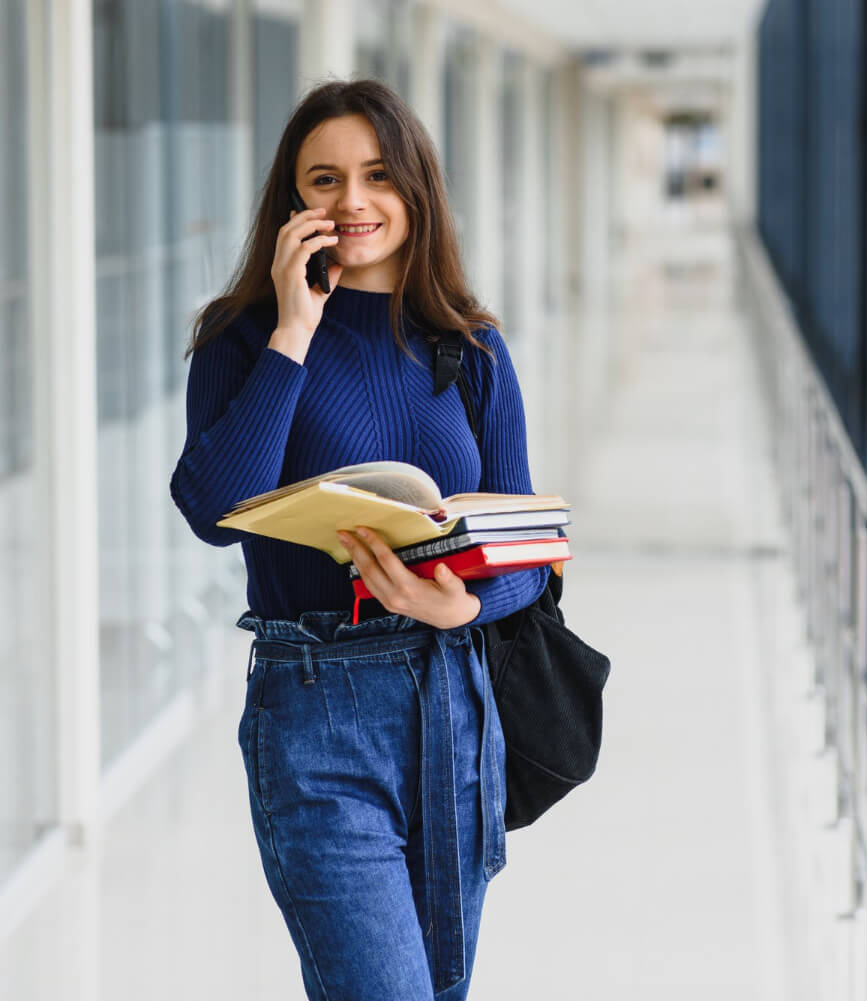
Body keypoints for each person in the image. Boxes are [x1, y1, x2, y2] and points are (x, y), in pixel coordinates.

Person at [169, 78, 546, 1000]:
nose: (353, 201)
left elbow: (528, 545)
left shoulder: (472, 348)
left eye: (377, 175)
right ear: (293, 200)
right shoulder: (241, 339)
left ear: (415, 187)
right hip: (316, 708)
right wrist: (294, 331)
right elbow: (212, 509)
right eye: (325, 179)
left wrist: (459, 603)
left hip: (453, 704)